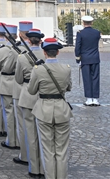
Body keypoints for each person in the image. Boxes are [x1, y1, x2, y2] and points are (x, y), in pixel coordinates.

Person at [28, 38, 73, 179]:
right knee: (61, 151)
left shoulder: (38, 70)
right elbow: (69, 87)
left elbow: (31, 90)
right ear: (58, 52)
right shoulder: (66, 69)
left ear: (44, 53)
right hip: (61, 110)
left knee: (48, 150)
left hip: (44, 110)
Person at [14, 28, 44, 175]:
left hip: (27, 95)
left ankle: (33, 167)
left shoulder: (22, 57)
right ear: (40, 41)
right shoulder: (46, 54)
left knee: (30, 133)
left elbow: (18, 79)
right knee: (45, 135)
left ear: (28, 40)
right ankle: (45, 167)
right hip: (43, 94)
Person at [74, 16, 101, 106]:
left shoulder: (80, 33)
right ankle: (95, 99)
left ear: (83, 23)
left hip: (85, 58)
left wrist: (77, 57)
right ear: (91, 23)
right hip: (95, 58)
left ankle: (89, 99)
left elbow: (78, 47)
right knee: (95, 78)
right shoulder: (97, 33)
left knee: (87, 78)